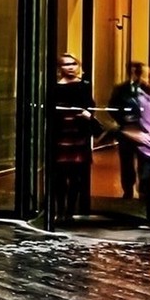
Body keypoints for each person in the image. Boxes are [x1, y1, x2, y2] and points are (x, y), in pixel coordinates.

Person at [50, 53, 96, 223]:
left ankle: (69, 211)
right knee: (59, 176)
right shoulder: (54, 86)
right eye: (66, 64)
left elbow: (91, 105)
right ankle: (59, 210)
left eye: (73, 64)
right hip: (60, 135)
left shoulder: (84, 85)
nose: (70, 67)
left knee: (76, 176)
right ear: (59, 67)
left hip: (78, 135)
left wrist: (87, 113)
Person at [107, 61, 150, 202]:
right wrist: (122, 119)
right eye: (133, 70)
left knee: (145, 162)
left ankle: (144, 192)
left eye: (138, 70)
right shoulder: (120, 89)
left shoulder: (148, 89)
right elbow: (112, 106)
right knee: (126, 163)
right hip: (127, 131)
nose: (135, 73)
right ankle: (128, 190)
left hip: (144, 131)